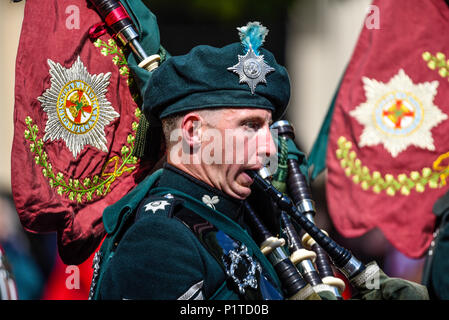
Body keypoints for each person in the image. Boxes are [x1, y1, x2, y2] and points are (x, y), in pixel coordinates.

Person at [91, 22, 292, 300]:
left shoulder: (233, 218)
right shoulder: (159, 241)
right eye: (250, 126)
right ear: (192, 132)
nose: (269, 147)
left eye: (267, 127)